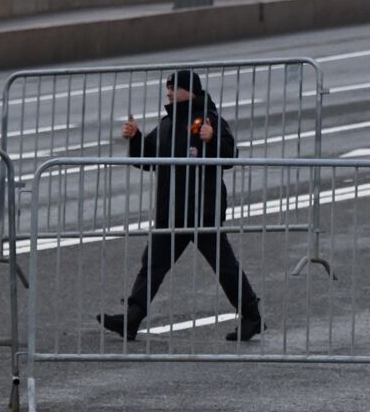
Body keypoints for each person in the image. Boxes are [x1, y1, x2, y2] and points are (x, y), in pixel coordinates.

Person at [97, 70, 263, 343]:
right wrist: (136, 137)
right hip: (171, 211)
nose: (169, 93)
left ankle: (253, 317)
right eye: (168, 89)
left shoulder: (209, 120)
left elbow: (230, 155)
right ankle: (132, 318)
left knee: (225, 267)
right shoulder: (167, 125)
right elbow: (146, 161)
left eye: (174, 88)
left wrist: (212, 141)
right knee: (152, 264)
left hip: (202, 212)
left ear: (191, 91)